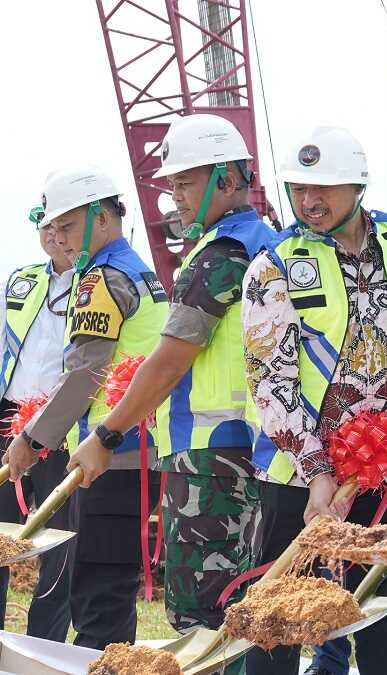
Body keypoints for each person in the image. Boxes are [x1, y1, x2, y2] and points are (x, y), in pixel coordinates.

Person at [67, 115, 274, 653]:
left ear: (228, 180)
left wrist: (106, 434)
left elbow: (167, 363)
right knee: (246, 608)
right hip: (264, 454)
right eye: (172, 184)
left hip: (212, 460)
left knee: (202, 614)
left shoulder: (218, 257)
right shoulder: (272, 244)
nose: (173, 198)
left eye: (184, 183)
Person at [241, 126, 387, 675]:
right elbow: (270, 380)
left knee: (383, 620)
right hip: (299, 481)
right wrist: (317, 472)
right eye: (300, 187)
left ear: (358, 185)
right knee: (277, 624)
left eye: (325, 187)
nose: (310, 200)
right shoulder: (273, 264)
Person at [6, 166, 168, 649]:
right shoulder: (140, 270)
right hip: (134, 452)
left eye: (70, 226)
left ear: (102, 217)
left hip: (110, 456)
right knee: (109, 596)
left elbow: (84, 372)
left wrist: (33, 438)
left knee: (96, 599)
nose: (61, 238)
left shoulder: (102, 277)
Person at [0, 205, 76, 641]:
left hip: (63, 424)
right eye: (44, 226)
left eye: (61, 226)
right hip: (11, 417)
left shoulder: (99, 281)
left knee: (59, 545)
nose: (52, 235)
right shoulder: (22, 279)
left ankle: (42, 647)